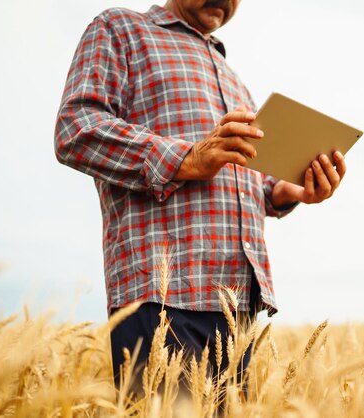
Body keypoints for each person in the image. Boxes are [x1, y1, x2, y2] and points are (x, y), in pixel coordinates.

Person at [54, 0, 346, 391]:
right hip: (162, 295)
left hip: (239, 304)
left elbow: (243, 181)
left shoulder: (235, 79)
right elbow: (76, 129)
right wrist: (187, 158)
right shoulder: (121, 29)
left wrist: (284, 190)